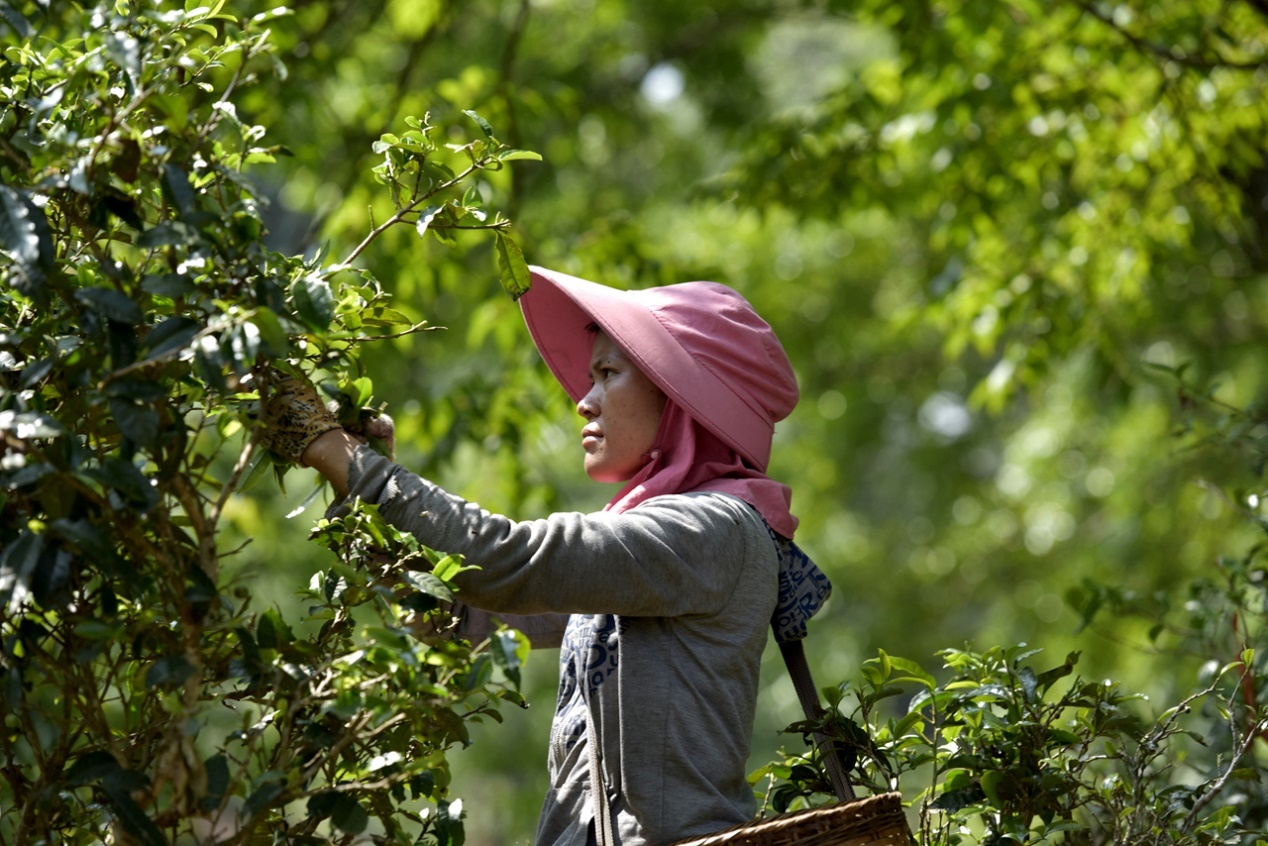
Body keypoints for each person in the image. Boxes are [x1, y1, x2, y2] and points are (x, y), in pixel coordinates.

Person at [261, 266, 831, 846]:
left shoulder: (711, 530)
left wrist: (337, 452)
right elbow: (457, 613)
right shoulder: (657, 542)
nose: (583, 402)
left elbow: (508, 560)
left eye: (608, 373)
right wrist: (361, 482)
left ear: (680, 397)